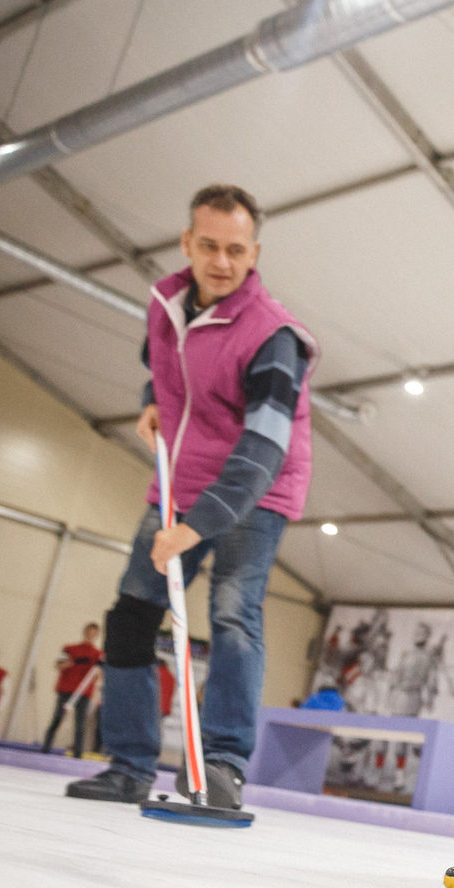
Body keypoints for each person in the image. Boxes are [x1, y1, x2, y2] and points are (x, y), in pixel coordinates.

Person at [66, 184, 315, 810]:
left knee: (233, 615)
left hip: (255, 490)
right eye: (209, 246)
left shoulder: (273, 337)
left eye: (236, 249)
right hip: (178, 476)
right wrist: (150, 397)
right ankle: (128, 764)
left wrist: (194, 526)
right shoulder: (166, 303)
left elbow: (262, 451)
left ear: (254, 252)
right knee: (131, 615)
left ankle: (223, 764)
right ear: (187, 243)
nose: (222, 262)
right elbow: (163, 358)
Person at [42, 623, 102, 756]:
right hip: (67, 689)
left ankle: (78, 754)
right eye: (88, 632)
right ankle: (45, 749)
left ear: (96, 635)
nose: (90, 635)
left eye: (93, 633)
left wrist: (100, 665)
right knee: (57, 719)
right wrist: (74, 662)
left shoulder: (98, 654)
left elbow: (101, 674)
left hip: (84, 692)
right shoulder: (70, 649)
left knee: (80, 724)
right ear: (84, 632)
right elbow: (59, 665)